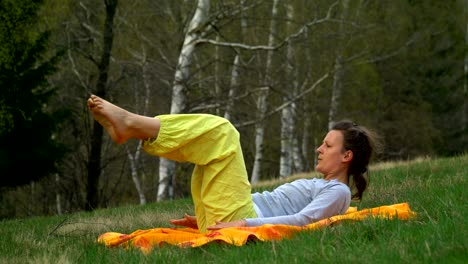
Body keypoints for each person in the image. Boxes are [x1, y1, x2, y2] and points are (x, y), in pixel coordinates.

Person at [87, 95, 381, 233]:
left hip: (243, 215)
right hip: (233, 209)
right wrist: (203, 218)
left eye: (328, 146)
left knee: (223, 133)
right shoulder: (324, 186)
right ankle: (133, 126)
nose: (319, 149)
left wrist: (243, 223)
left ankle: (132, 125)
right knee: (209, 144)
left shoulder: (339, 193)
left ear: (346, 157)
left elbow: (302, 222)